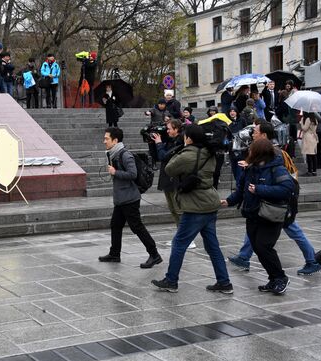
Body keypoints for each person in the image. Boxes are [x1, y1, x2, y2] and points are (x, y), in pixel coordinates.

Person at [227, 122, 321, 275]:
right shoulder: (268, 150)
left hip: (277, 202)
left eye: (256, 131)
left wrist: (251, 165)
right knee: (257, 226)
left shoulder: (273, 152)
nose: (252, 134)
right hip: (267, 201)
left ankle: (313, 261)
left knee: (292, 229)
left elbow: (277, 178)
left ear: (264, 135)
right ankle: (244, 257)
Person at [151, 124, 232, 293]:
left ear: (189, 138)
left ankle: (171, 280)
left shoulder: (188, 154)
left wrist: (181, 149)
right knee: (212, 246)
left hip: (196, 205)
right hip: (210, 201)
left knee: (179, 243)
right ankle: (224, 282)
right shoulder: (209, 152)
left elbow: (169, 168)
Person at [223, 139, 294, 295]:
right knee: (257, 247)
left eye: (252, 150)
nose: (249, 152)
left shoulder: (277, 169)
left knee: (264, 246)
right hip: (253, 213)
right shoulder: (250, 169)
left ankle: (281, 277)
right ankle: (273, 279)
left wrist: (260, 189)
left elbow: (287, 188)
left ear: (259, 153)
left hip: (270, 215)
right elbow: (241, 190)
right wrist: (228, 201)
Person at [99, 127, 163, 269]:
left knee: (137, 227)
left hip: (129, 198)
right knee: (116, 225)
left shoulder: (125, 155)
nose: (104, 141)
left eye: (106, 139)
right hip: (121, 198)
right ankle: (115, 253)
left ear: (115, 140)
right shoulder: (114, 154)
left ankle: (154, 254)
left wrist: (116, 172)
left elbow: (132, 174)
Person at [152, 119, 197, 249]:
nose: (167, 131)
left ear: (177, 129)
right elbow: (157, 156)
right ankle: (180, 236)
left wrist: (159, 144)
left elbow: (164, 157)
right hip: (167, 179)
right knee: (173, 210)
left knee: (179, 210)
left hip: (175, 180)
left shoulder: (180, 143)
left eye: (169, 129)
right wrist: (154, 143)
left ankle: (188, 239)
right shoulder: (170, 140)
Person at [144, 99, 170, 168]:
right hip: (154, 130)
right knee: (153, 147)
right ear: (158, 104)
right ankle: (154, 162)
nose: (162, 106)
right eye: (160, 104)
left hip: (164, 131)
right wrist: (147, 113)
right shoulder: (154, 110)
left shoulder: (167, 112)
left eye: (163, 104)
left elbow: (171, 118)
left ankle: (162, 160)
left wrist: (168, 119)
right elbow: (149, 112)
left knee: (164, 145)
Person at [227, 107, 246, 182]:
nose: (232, 112)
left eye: (234, 111)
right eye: (230, 111)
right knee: (234, 170)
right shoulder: (227, 121)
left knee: (239, 170)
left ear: (237, 112)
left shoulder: (242, 120)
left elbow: (246, 131)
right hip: (231, 148)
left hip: (241, 148)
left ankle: (239, 186)